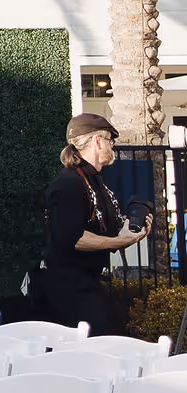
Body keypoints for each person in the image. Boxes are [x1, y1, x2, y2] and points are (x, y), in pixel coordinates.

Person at [39, 112, 147, 332]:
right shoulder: (69, 183)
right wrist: (119, 242)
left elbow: (104, 229)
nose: (112, 145)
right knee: (107, 341)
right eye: (109, 139)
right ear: (97, 141)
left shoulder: (93, 180)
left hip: (87, 283)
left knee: (114, 337)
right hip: (68, 287)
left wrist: (130, 231)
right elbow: (72, 238)